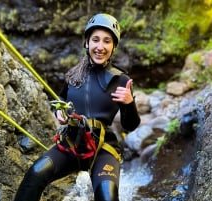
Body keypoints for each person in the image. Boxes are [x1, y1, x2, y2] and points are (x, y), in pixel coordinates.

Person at [14, 13, 140, 201]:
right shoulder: (73, 76)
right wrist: (60, 111)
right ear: (87, 43)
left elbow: (130, 125)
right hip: (72, 142)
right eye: (95, 40)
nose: (100, 47)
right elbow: (62, 99)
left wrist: (129, 104)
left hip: (104, 148)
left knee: (107, 196)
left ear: (113, 47)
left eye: (107, 41)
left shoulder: (120, 80)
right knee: (36, 173)